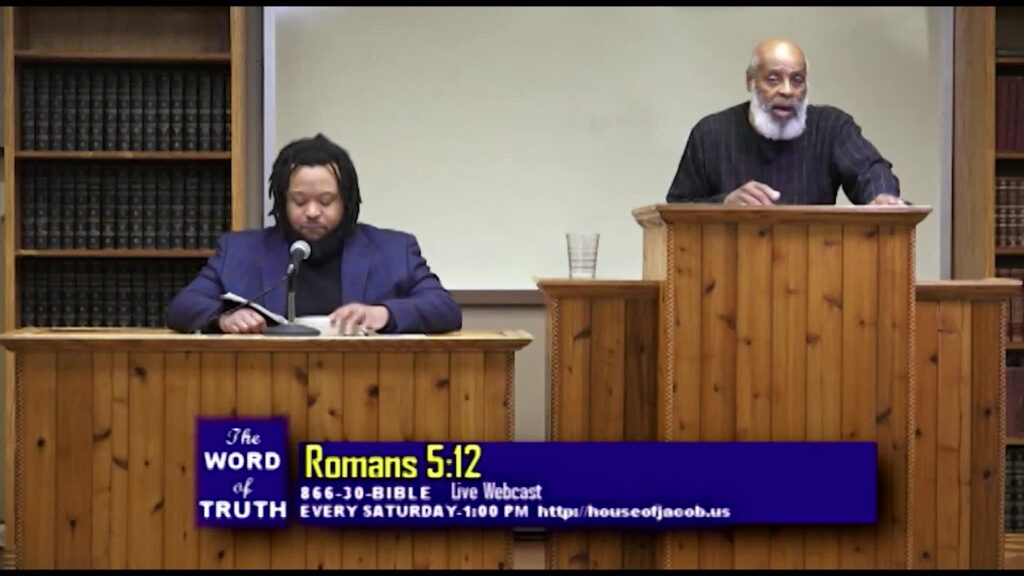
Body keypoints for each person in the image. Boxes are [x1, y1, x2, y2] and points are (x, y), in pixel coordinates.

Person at [166, 133, 462, 335]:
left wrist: (382, 314)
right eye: (299, 201)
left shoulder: (394, 250)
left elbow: (445, 310)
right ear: (282, 202)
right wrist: (223, 319)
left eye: (325, 201)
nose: (311, 212)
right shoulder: (240, 250)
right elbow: (182, 307)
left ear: (347, 202)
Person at [665, 38, 904, 206]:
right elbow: (678, 208)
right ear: (750, 81)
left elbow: (870, 170)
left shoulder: (831, 127)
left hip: (815, 258)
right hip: (728, 261)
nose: (787, 91)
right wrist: (724, 204)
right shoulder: (710, 134)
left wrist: (881, 197)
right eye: (773, 79)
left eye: (797, 80)